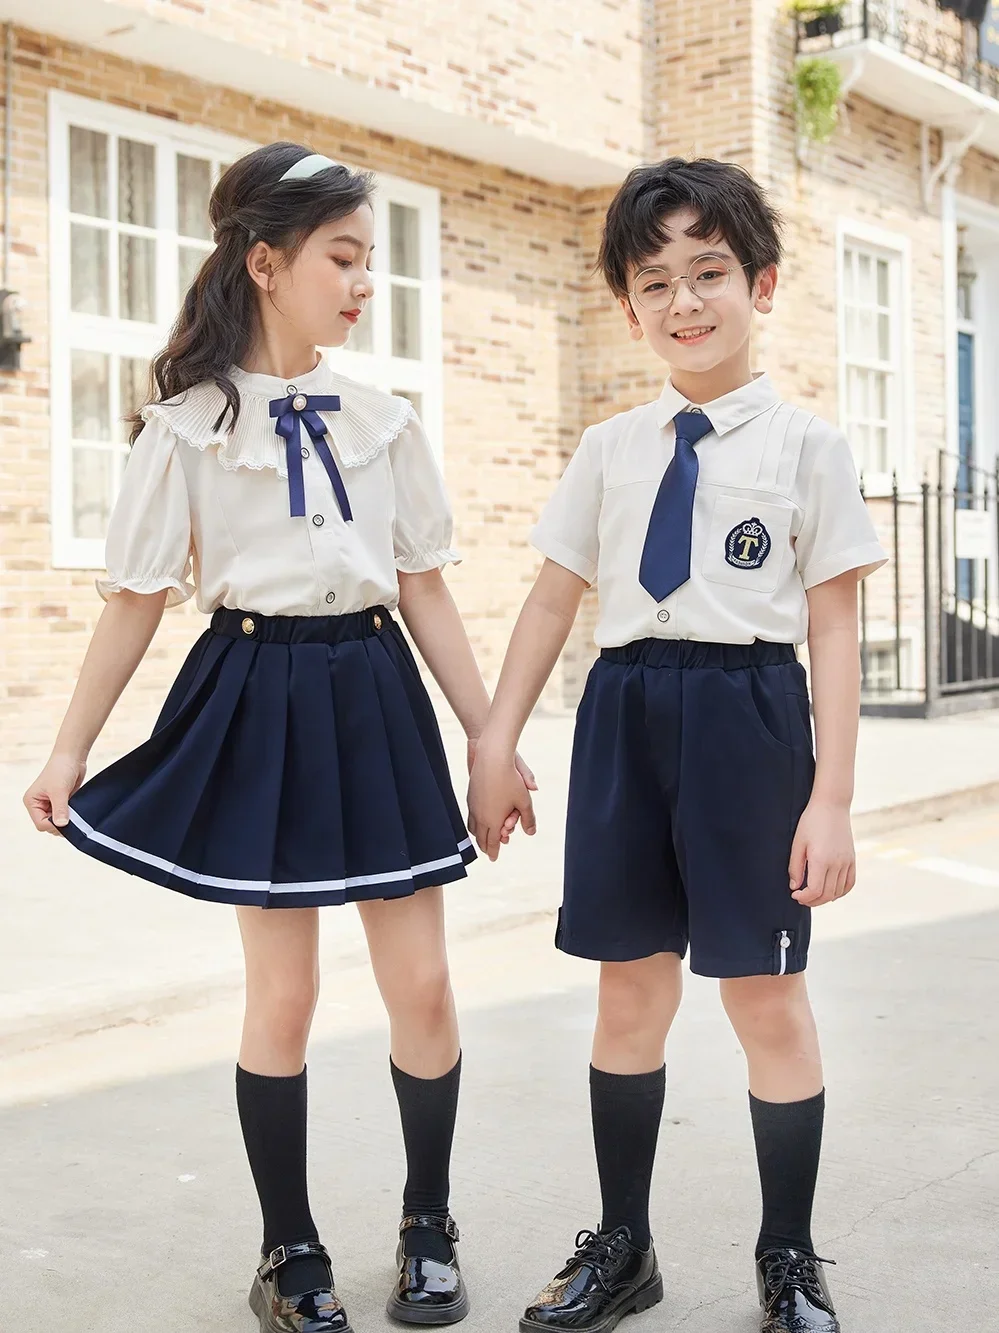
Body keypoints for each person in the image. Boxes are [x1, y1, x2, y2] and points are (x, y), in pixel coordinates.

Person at [24, 141, 534, 1333]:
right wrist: (65, 749)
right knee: (284, 998)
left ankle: (427, 1223)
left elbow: (425, 589)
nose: (365, 284)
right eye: (344, 258)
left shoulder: (386, 420)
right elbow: (136, 599)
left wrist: (489, 741)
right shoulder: (187, 429)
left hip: (372, 690)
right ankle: (289, 1248)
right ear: (265, 262)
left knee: (422, 982)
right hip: (255, 692)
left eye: (374, 262)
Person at [467, 158, 887, 1333]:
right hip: (625, 713)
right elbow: (553, 602)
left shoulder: (808, 448)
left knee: (767, 998)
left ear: (760, 284)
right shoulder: (610, 447)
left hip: (749, 717)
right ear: (628, 306)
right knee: (628, 993)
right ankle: (627, 1242)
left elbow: (834, 628)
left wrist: (833, 799)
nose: (686, 301)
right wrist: (496, 741)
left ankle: (789, 1254)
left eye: (710, 272)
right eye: (658, 282)